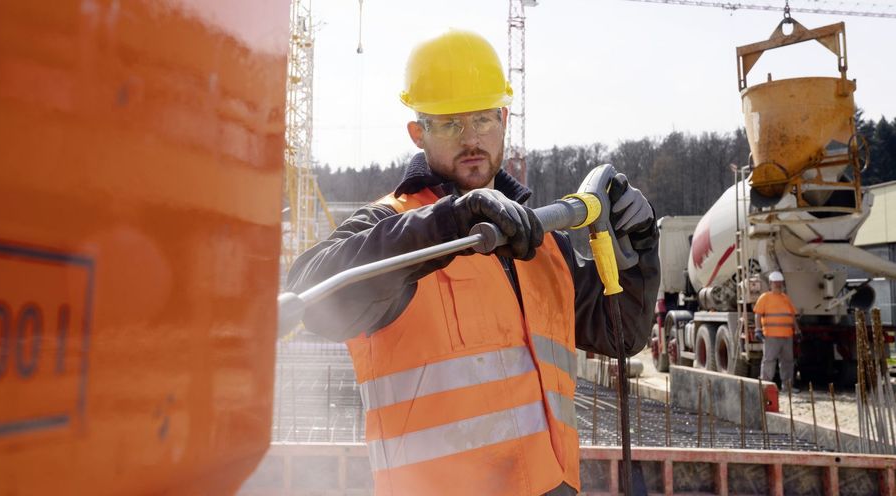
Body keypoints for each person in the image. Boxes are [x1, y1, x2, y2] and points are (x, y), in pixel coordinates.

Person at [287, 29, 660, 496]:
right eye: (449, 124)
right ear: (417, 132)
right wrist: (449, 221)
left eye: (483, 118)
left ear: (504, 119)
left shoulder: (541, 242)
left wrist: (641, 247)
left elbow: (620, 331)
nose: (471, 139)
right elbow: (312, 292)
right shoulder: (395, 224)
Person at [753, 270, 800, 390]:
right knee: (769, 361)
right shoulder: (765, 298)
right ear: (770, 283)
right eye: (775, 283)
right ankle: (765, 386)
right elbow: (758, 314)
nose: (778, 285)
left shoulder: (785, 298)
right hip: (771, 336)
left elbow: (792, 315)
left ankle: (787, 387)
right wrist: (758, 329)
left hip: (787, 336)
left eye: (780, 282)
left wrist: (797, 330)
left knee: (788, 362)